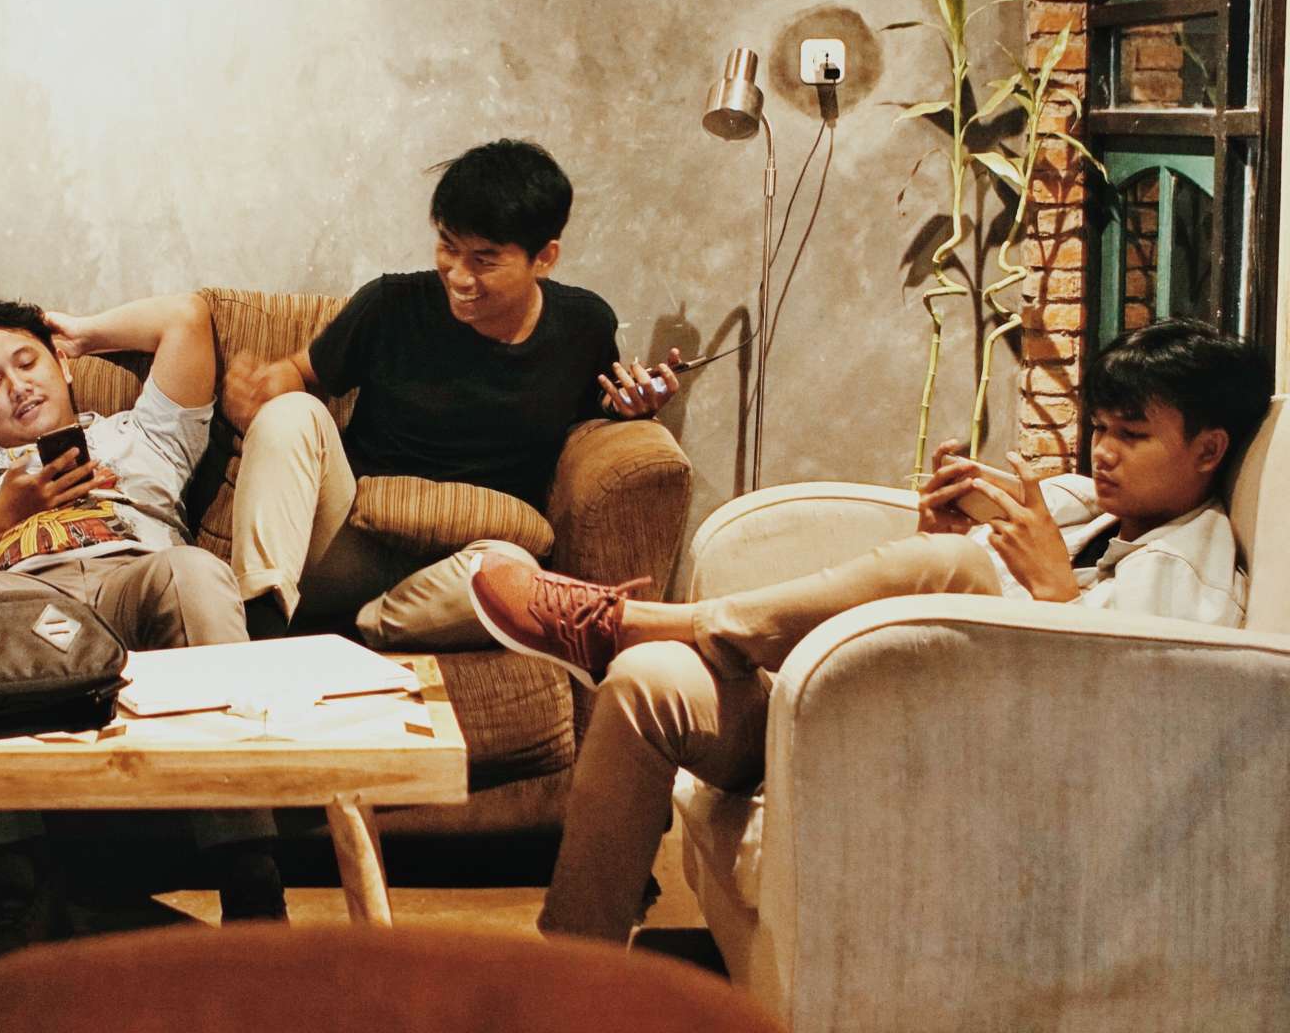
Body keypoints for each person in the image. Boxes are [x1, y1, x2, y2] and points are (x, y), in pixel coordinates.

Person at [467, 317, 1271, 943]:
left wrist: (1053, 594)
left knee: (954, 567)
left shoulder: (1190, 567)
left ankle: (658, 623)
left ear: (1209, 450)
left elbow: (1136, 731)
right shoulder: (1073, 506)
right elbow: (941, 634)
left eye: (1133, 436)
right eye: (1100, 429)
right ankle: (573, 975)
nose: (1105, 454)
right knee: (648, 684)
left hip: (954, 764)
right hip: (855, 711)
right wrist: (936, 534)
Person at [0, 292, 285, 923]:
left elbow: (186, 317)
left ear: (63, 367)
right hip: (19, 615)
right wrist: (6, 512)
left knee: (195, 570)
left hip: (132, 585)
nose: (17, 386)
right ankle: (19, 888)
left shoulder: (137, 433)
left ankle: (249, 871)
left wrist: (78, 334)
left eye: (28, 363)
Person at [223, 138, 680, 649]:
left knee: (512, 575)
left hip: (466, 563)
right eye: (448, 247)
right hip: (349, 543)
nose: (459, 276)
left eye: (485, 259)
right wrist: (269, 388)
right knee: (292, 413)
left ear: (544, 258)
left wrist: (634, 408)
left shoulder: (583, 326)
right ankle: (257, 633)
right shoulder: (391, 304)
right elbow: (301, 373)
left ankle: (366, 627)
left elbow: (598, 410)